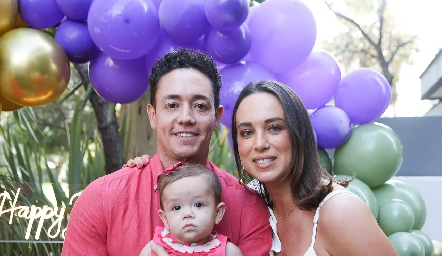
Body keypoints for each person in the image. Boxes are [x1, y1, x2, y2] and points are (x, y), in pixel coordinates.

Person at [61, 49, 272, 256]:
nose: (185, 118)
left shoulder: (248, 207)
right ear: (153, 116)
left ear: (216, 118)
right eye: (172, 105)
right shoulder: (101, 199)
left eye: (200, 106)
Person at [231, 80, 398, 255]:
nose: (259, 144)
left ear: (300, 134)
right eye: (247, 132)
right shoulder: (245, 208)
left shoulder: (341, 211)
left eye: (274, 128)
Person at [139, 161, 243, 256]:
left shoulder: (229, 252)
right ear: (165, 218)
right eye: (176, 207)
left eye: (198, 204)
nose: (187, 214)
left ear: (217, 212)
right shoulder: (154, 248)